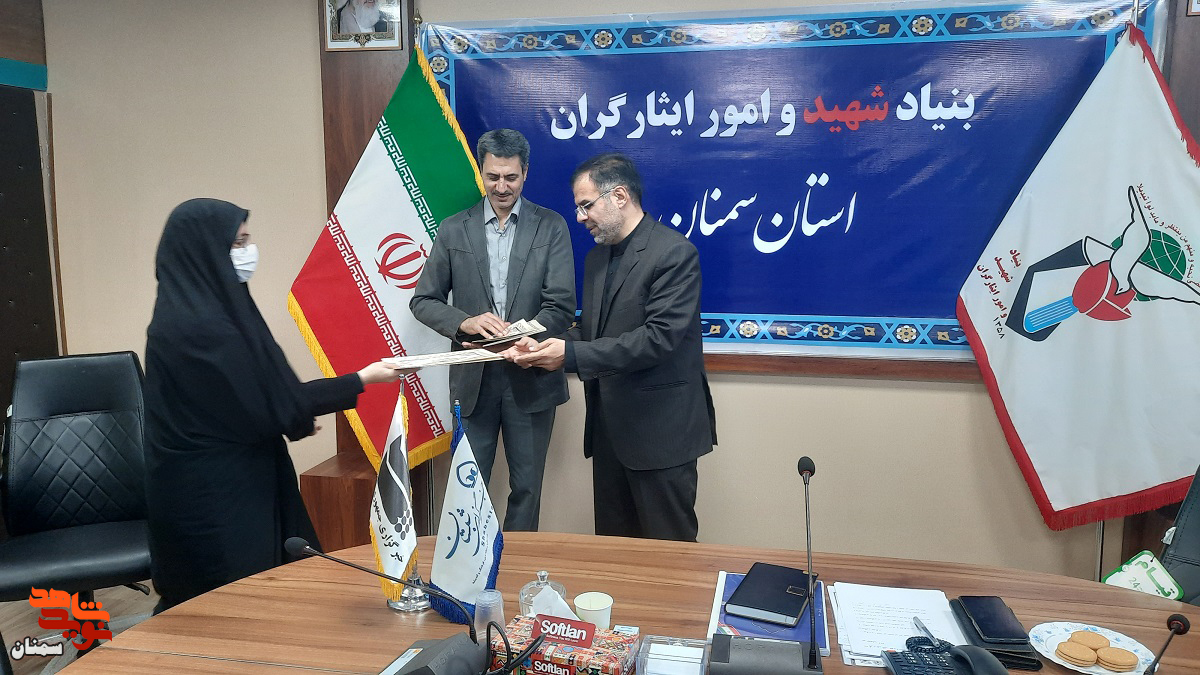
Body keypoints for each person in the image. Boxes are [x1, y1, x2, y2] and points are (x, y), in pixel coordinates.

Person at [144, 198, 407, 611]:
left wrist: (291, 411)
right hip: (212, 496)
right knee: (229, 607)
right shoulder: (199, 329)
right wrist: (363, 378)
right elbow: (273, 403)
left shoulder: (205, 309)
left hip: (241, 474)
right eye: (237, 243)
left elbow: (262, 399)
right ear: (204, 251)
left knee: (266, 596)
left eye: (247, 240)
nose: (248, 252)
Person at [513, 153, 716, 542]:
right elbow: (594, 333)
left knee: (668, 557)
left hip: (660, 436)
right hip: (609, 435)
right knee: (613, 554)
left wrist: (569, 355)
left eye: (586, 205)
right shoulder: (597, 258)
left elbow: (658, 339)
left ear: (619, 196)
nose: (580, 217)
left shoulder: (674, 253)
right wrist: (538, 348)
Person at [410, 129, 575, 532]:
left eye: (511, 177)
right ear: (481, 172)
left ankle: (517, 565)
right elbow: (423, 300)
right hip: (474, 379)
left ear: (525, 173)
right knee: (468, 490)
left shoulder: (551, 226)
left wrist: (523, 336)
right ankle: (472, 567)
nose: (502, 187)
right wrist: (464, 322)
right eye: (493, 177)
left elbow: (561, 306)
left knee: (527, 490)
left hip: (531, 376)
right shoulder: (454, 229)